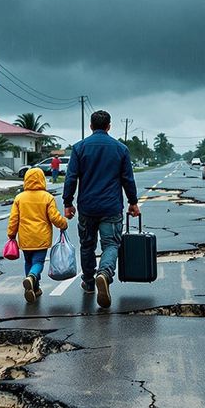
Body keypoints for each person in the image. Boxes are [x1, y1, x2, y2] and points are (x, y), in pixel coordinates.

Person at [63, 109, 141, 308]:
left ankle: (89, 283)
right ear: (109, 127)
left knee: (87, 245)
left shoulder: (80, 148)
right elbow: (127, 179)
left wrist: (67, 203)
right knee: (111, 245)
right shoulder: (120, 149)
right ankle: (104, 273)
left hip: (87, 207)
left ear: (91, 126)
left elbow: (71, 177)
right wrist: (133, 201)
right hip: (111, 207)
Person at [8, 167, 69, 302]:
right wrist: (63, 224)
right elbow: (54, 217)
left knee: (28, 261)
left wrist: (11, 234)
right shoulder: (47, 197)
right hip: (41, 237)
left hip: (25, 238)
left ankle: (34, 288)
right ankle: (32, 277)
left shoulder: (19, 198)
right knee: (38, 262)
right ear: (42, 180)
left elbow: (14, 219)